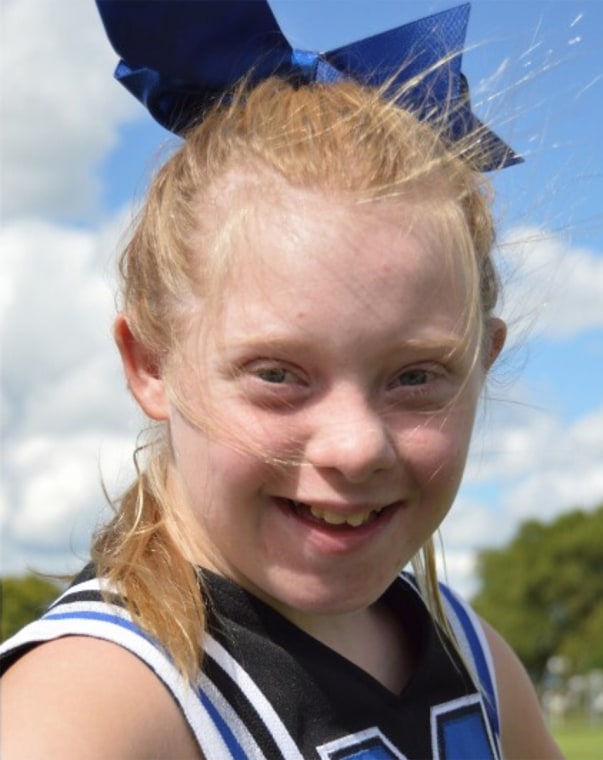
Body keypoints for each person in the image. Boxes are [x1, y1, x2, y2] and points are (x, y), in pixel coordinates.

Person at [0, 2, 564, 758]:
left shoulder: (478, 663)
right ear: (152, 365)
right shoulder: (89, 711)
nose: (357, 447)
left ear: (482, 365)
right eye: (278, 375)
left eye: (417, 376)